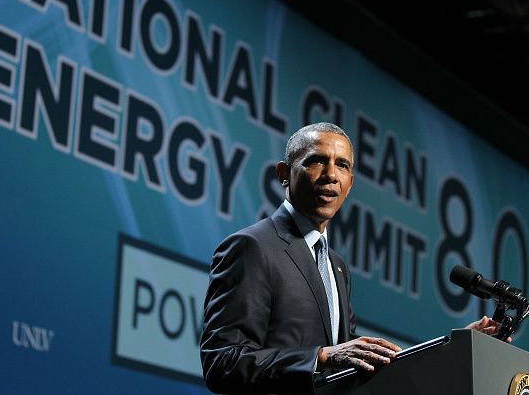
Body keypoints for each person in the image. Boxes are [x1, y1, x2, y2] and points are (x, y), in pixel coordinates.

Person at [200, 122, 503, 394]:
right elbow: (222, 362)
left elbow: (357, 363)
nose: (331, 175)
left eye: (342, 165)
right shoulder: (252, 247)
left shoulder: (337, 266)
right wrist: (321, 356)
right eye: (317, 161)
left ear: (350, 183)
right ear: (284, 174)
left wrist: (454, 347)